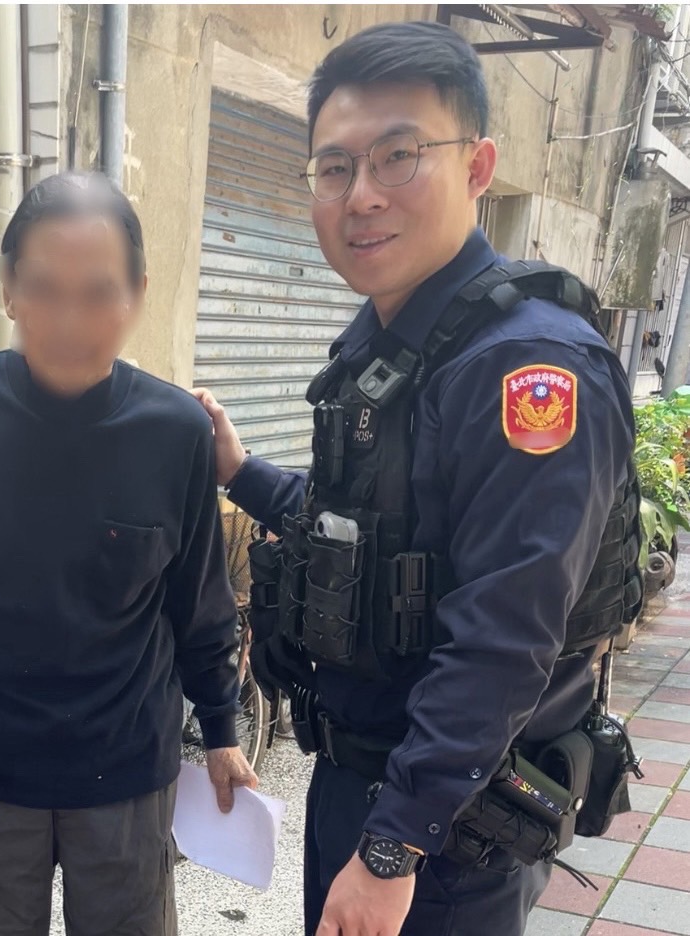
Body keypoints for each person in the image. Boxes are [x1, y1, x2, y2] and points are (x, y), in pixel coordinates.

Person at [194, 22, 639, 936]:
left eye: (398, 156)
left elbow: (504, 635)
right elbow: (366, 541)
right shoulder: (391, 345)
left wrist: (394, 848)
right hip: (365, 785)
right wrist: (238, 470)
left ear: (478, 167)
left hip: (448, 829)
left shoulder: (527, 369)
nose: (361, 195)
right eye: (334, 167)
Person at [0, 171, 258, 936]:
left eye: (98, 292)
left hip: (128, 777)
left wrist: (221, 731)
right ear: (9, 289)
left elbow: (198, 600)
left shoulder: (175, 431)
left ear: (137, 295)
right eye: (45, 289)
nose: (70, 320)